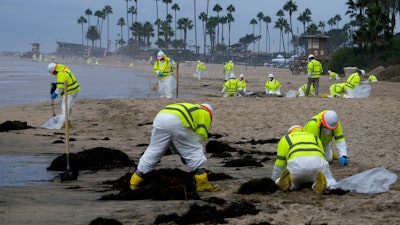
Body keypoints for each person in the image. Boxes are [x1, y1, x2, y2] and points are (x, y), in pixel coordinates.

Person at [129, 102, 219, 192]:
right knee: (194, 150)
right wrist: (189, 155)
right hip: (177, 121)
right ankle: (202, 184)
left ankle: (135, 181)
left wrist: (181, 151)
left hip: (160, 117)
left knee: (154, 150)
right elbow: (199, 137)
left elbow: (176, 139)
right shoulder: (205, 113)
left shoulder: (191, 107)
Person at [271, 125, 337, 193]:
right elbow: (323, 157)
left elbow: (280, 165)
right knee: (330, 180)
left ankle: (289, 184)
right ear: (303, 131)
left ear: (290, 133)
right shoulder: (314, 137)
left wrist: (274, 181)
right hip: (318, 164)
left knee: (294, 182)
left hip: (297, 165)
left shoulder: (286, 139)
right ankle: (324, 184)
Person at [47, 63, 80, 127]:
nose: (54, 75)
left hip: (70, 91)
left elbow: (60, 87)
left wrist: (55, 93)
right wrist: (58, 83)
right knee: (69, 107)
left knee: (65, 107)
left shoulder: (61, 74)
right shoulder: (63, 69)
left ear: (54, 71)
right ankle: (68, 121)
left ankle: (64, 123)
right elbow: (65, 80)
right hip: (75, 89)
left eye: (53, 73)